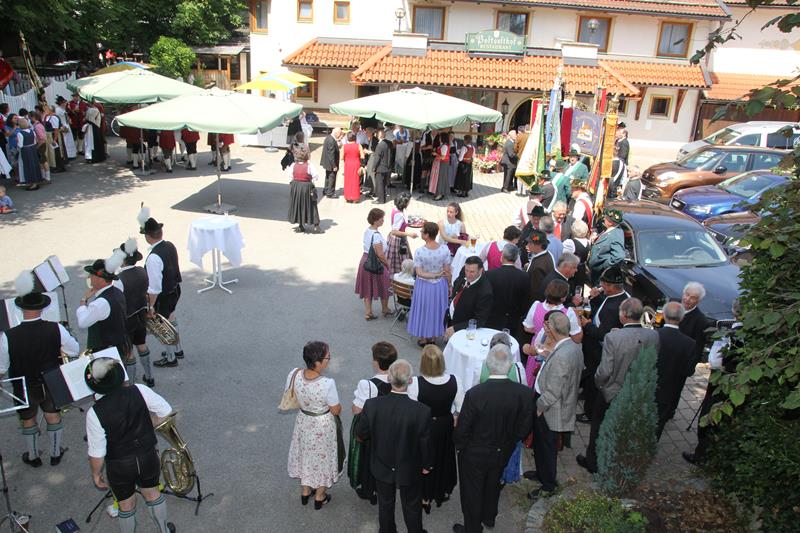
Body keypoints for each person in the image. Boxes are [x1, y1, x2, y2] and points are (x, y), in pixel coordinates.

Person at [84, 358, 175, 533]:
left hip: (119, 464)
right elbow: (165, 411)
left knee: (126, 505)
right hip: (147, 454)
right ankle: (164, 530)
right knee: (153, 493)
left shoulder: (94, 413)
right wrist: (150, 423)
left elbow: (97, 453)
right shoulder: (139, 390)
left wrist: (96, 474)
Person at [452, 344, 534, 533]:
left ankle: (473, 528)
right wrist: (510, 441)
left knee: (472, 492)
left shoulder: (475, 394)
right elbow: (524, 427)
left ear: (488, 365)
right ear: (510, 365)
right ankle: (489, 517)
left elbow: (463, 429)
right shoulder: (524, 394)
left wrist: (460, 446)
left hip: (474, 453)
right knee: (493, 483)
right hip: (503, 449)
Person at [0, 272, 79, 467]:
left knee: (28, 419)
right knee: (53, 415)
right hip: (51, 379)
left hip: (23, 383)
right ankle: (55, 454)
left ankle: (33, 456)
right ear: (42, 308)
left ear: (21, 309)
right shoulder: (56, 328)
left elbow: (3, 366)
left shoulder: (8, 336)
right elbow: (74, 350)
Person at [576, 298, 659, 474]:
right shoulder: (653, 335)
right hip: (636, 390)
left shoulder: (613, 338)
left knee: (598, 426)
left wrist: (599, 384)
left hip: (611, 392)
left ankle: (593, 462)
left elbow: (604, 371)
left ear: (623, 315)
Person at [356, 359, 433, 533]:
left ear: (389, 378)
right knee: (412, 505)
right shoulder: (422, 411)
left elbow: (361, 433)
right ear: (410, 380)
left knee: (385, 503)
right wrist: (427, 465)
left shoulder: (372, 405)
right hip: (410, 467)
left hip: (381, 464)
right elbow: (425, 442)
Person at [529, 311, 584, 499]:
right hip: (553, 404)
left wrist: (539, 407)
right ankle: (541, 473)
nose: (545, 328)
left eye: (547, 325)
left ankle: (548, 486)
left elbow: (554, 391)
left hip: (550, 409)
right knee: (540, 444)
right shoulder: (572, 346)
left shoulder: (562, 356)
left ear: (552, 330)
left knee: (546, 448)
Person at [683, 299, 742, 465]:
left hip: (721, 380)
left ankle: (701, 455)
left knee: (709, 413)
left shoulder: (729, 333)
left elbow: (714, 362)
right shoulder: (754, 332)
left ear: (734, 312)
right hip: (739, 382)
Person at [287, 341, 343, 510]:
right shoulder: (327, 383)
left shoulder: (294, 374)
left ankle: (305, 491)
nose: (329, 360)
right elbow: (335, 410)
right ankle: (320, 496)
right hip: (322, 425)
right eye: (327, 358)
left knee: (305, 454)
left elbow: (294, 397)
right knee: (323, 459)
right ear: (318, 362)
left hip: (304, 421)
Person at [408, 345, 463, 512]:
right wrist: (455, 416)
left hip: (424, 427)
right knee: (442, 457)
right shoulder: (455, 381)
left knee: (424, 459)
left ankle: (424, 495)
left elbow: (412, 411)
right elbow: (461, 406)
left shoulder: (415, 383)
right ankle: (440, 489)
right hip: (445, 425)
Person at [577, 265, 628, 423]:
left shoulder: (613, 308)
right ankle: (586, 393)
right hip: (597, 349)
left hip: (600, 352)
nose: (601, 286)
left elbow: (603, 335)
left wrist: (587, 325)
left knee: (594, 381)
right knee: (589, 380)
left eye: (604, 284)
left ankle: (590, 413)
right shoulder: (620, 296)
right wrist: (596, 299)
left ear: (612, 286)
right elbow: (602, 308)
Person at [349, 341, 397, 504]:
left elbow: (357, 410)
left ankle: (369, 489)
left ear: (376, 362)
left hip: (374, 430)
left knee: (369, 459)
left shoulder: (368, 385)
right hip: (393, 428)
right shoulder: (401, 381)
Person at [139, 208, 185, 367]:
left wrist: (150, 306)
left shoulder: (153, 258)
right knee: (171, 317)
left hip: (163, 296)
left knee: (162, 326)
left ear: (148, 236)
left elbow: (154, 288)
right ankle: (178, 349)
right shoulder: (170, 245)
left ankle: (171, 358)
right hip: (175, 289)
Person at [77, 257, 132, 379]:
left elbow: (82, 322)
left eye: (91, 275)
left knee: (108, 381)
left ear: (100, 279)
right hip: (121, 344)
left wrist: (83, 301)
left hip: (105, 352)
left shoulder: (100, 303)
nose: (89, 277)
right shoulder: (117, 291)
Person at [522, 279, 583, 384]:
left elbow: (528, 328)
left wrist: (539, 331)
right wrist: (577, 317)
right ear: (563, 298)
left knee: (531, 378)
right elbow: (577, 338)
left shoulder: (536, 305)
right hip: (555, 352)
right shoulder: (568, 312)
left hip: (536, 348)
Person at [113, 239, 155, 387]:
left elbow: (117, 303)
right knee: (142, 344)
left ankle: (131, 384)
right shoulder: (142, 271)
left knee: (129, 351)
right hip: (141, 315)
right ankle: (149, 377)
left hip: (127, 319)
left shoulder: (119, 280)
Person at [655, 302, 696, 440]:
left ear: (664, 315)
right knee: (658, 422)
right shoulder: (690, 343)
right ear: (682, 318)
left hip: (647, 385)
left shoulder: (653, 335)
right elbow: (688, 371)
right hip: (668, 391)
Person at [408, 221, 452, 346]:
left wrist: (434, 275)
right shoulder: (444, 249)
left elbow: (419, 273)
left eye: (422, 231)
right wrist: (449, 285)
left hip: (424, 285)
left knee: (423, 309)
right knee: (436, 310)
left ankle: (423, 338)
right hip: (440, 285)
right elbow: (447, 270)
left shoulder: (419, 252)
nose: (421, 232)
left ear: (427, 235)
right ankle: (432, 338)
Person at [354, 208, 393, 320]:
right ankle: (385, 308)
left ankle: (368, 312)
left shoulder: (367, 231)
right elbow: (380, 254)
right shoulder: (376, 235)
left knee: (367, 286)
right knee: (385, 284)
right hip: (376, 262)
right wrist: (387, 264)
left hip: (365, 260)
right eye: (381, 218)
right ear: (376, 220)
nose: (383, 220)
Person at [484, 244, 530, 339]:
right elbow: (525, 301)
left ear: (502, 257)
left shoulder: (490, 275)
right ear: (516, 258)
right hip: (513, 321)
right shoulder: (524, 277)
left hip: (492, 319)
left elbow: (485, 298)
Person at [446, 256, 493, 339]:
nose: (468, 274)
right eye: (466, 270)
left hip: (463, 330)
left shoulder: (485, 292)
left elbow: (479, 320)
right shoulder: (464, 271)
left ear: (480, 270)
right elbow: (457, 282)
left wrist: (456, 328)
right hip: (451, 320)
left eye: (472, 272)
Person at [286, 146, 322, 234]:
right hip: (307, 187)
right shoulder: (309, 165)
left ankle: (301, 225)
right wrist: (310, 182)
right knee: (312, 205)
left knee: (298, 204)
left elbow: (290, 176)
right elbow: (316, 176)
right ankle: (316, 226)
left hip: (296, 187)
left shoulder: (293, 165)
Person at [588, 209, 625, 284]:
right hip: (596, 273)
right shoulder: (610, 230)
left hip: (601, 275)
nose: (604, 219)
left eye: (605, 218)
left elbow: (619, 256)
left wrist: (603, 266)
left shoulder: (615, 235)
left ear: (610, 223)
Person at [386, 192, 419, 276]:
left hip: (397, 239)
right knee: (401, 261)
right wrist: (409, 234)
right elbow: (394, 231)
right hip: (398, 241)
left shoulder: (395, 209)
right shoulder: (399, 215)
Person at [679, 282, 711, 366]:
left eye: (692, 298)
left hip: (680, 362)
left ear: (698, 301)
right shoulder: (672, 305)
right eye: (687, 294)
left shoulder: (701, 321)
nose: (687, 299)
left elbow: (697, 350)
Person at [525, 230, 555, 306]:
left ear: (539, 245)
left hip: (536, 304)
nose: (527, 245)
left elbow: (535, 291)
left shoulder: (538, 267)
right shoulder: (548, 255)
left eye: (530, 243)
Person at [562, 220, 590, 292]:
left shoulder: (570, 242)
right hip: (582, 269)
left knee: (571, 288)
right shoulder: (588, 241)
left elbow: (564, 257)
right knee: (579, 288)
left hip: (573, 269)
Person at [16, 118, 43, 189]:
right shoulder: (32, 131)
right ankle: (36, 181)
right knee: (34, 164)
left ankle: (32, 183)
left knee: (28, 166)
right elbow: (35, 141)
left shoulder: (20, 133)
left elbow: (20, 145)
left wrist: (17, 143)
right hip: (33, 149)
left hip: (26, 150)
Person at [373, 129, 395, 204]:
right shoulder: (389, 143)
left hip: (380, 167)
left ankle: (381, 199)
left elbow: (377, 158)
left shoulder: (380, 145)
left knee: (380, 184)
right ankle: (384, 197)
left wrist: (374, 167)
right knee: (385, 184)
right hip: (388, 166)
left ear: (379, 136)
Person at [342, 131, 364, 203]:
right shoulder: (359, 145)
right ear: (355, 138)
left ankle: (347, 197)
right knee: (355, 180)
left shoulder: (344, 146)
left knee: (347, 180)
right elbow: (362, 156)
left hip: (348, 164)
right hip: (356, 164)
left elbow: (341, 157)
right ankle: (355, 198)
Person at [428, 132, 451, 201]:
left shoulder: (444, 146)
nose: (439, 138)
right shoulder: (443, 145)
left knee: (440, 178)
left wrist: (436, 154)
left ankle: (440, 194)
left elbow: (443, 157)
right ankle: (439, 193)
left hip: (443, 163)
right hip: (441, 163)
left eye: (440, 137)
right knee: (439, 178)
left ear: (443, 138)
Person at [320, 127, 342, 198]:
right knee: (332, 177)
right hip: (331, 163)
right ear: (337, 133)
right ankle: (330, 193)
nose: (340, 135)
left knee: (327, 176)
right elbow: (331, 154)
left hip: (327, 162)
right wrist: (334, 165)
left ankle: (326, 190)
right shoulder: (331, 140)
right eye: (340, 134)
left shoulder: (328, 137)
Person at [54, 96, 77, 160]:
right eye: (64, 103)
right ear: (61, 103)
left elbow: (66, 116)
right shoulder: (58, 110)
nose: (65, 104)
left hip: (66, 125)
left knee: (69, 140)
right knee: (65, 140)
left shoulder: (62, 109)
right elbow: (58, 119)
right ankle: (67, 155)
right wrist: (61, 125)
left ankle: (71, 154)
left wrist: (69, 120)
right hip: (63, 126)